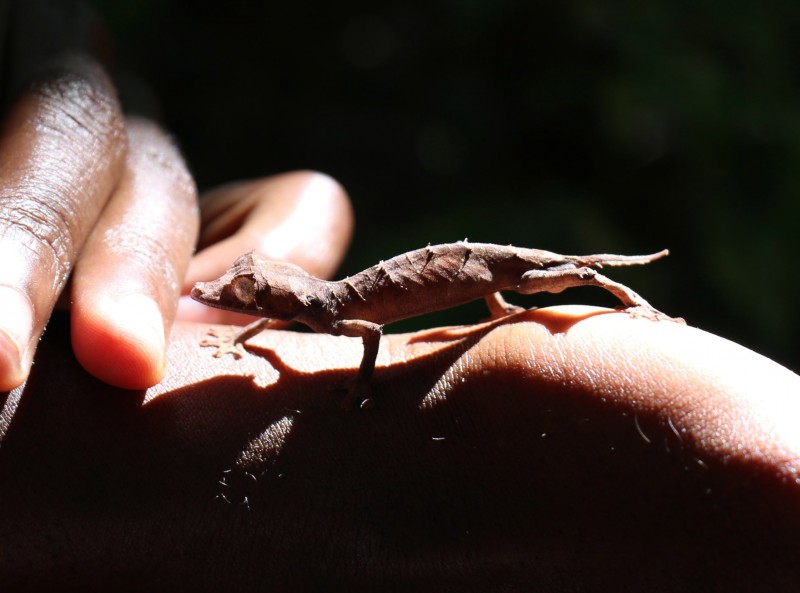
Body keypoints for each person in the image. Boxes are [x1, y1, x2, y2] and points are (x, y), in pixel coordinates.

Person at [0, 1, 798, 590]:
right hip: (462, 283)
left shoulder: (339, 314)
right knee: (555, 280)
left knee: (580, 271)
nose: (248, 298)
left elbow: (374, 342)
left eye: (254, 291)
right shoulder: (308, 308)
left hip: (490, 265)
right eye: (251, 293)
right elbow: (282, 327)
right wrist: (236, 335)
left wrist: (364, 396)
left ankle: (642, 306)